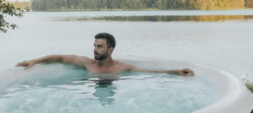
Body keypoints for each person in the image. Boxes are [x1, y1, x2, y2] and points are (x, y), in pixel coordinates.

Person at [16, 33, 195, 76]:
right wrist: (34, 61)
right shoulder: (87, 63)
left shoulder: (123, 67)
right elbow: (60, 57)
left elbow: (147, 72)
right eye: (94, 45)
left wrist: (175, 72)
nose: (94, 49)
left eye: (99, 46)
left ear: (110, 50)